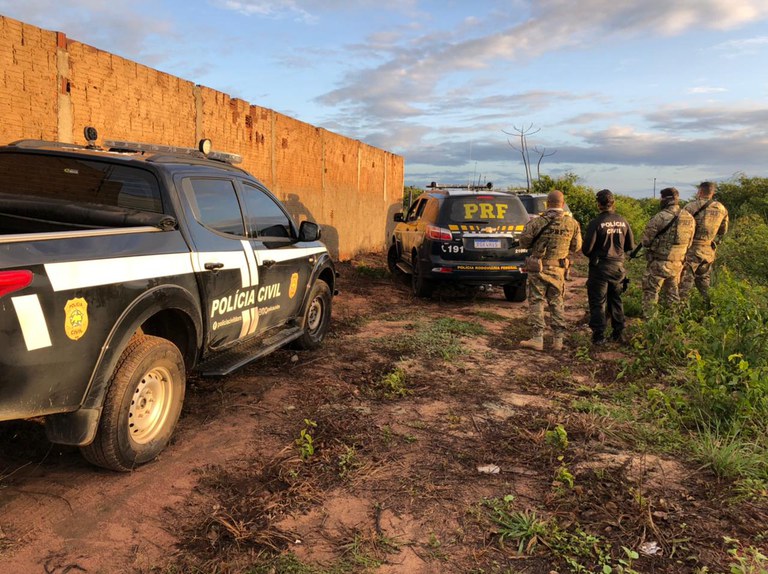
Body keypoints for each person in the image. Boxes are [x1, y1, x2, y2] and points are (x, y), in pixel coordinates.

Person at [519, 190, 582, 352]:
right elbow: (577, 247)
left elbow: (524, 242)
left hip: (538, 268)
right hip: (559, 269)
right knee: (557, 302)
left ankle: (537, 338)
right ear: (562, 203)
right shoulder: (572, 223)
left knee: (537, 301)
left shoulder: (537, 222)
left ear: (547, 204)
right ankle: (558, 341)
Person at [581, 189, 635, 345]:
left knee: (598, 302)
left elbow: (586, 250)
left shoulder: (596, 223)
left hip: (600, 268)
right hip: (618, 268)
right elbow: (630, 245)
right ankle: (618, 332)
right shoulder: (623, 221)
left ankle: (598, 336)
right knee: (616, 300)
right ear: (613, 203)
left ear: (598, 204)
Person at [639, 187, 695, 314]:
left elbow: (646, 241)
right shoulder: (689, 217)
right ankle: (673, 327)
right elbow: (690, 243)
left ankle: (651, 325)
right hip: (678, 264)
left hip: (659, 263)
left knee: (651, 294)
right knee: (673, 295)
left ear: (666, 199)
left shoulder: (660, 217)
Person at [679, 181, 729, 303]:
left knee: (685, 284)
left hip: (691, 251)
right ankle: (711, 308)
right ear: (712, 192)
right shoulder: (722, 209)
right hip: (708, 252)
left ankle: (679, 313)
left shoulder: (690, 207)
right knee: (704, 283)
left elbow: (680, 229)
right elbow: (723, 231)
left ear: (700, 191)